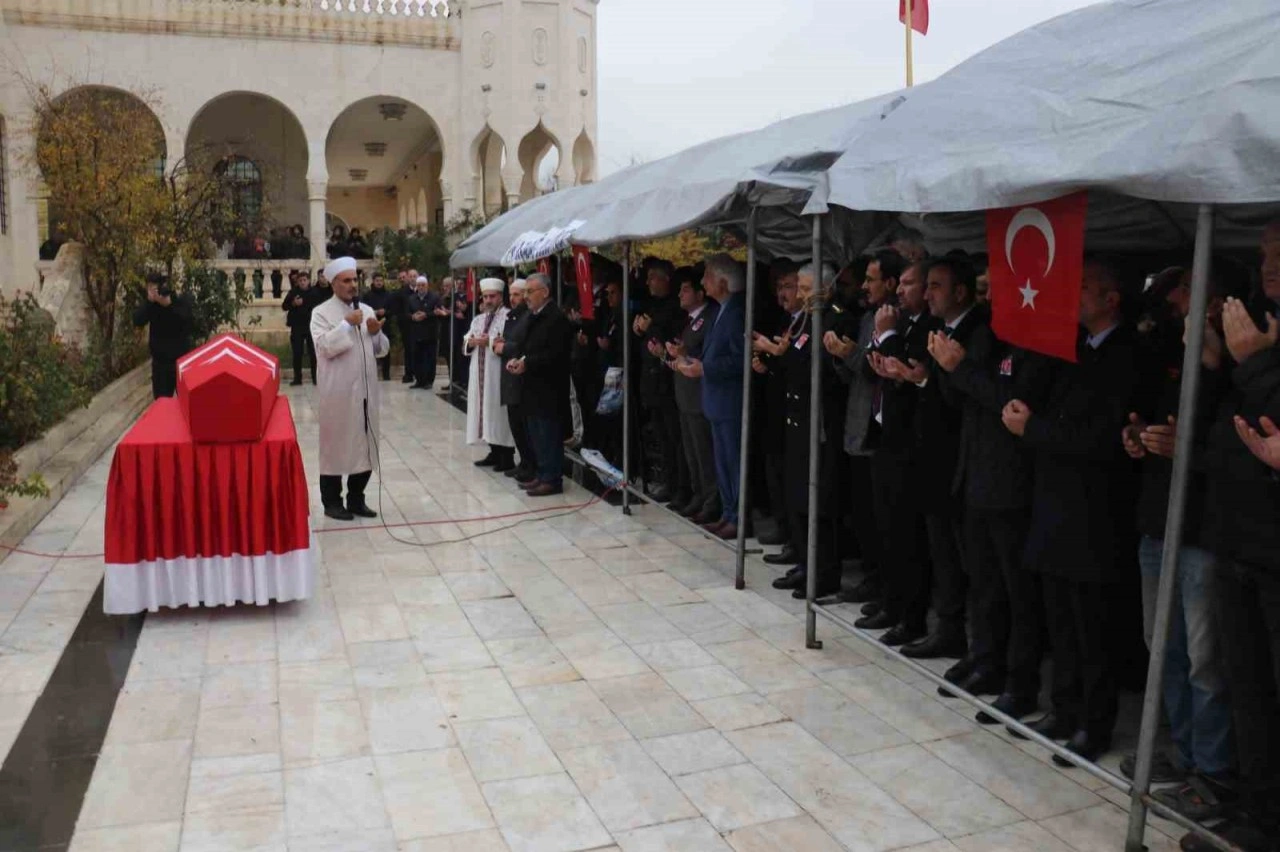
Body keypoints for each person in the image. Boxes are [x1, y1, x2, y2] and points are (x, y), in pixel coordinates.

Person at [1004, 257, 1140, 765]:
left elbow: (1100, 436)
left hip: (1095, 510)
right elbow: (1036, 398)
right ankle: (1063, 709)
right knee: (1060, 617)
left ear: (1111, 299)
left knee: (1092, 626)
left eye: (1086, 287)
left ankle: (1094, 722)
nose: (1075, 294)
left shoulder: (1126, 355)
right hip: (1056, 502)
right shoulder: (1074, 348)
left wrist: (1033, 430)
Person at [1190, 220, 1280, 851]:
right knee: (1248, 691)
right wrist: (1223, 368)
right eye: (1265, 256)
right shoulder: (1257, 323)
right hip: (1238, 535)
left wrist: (1255, 364)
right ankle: (1259, 814)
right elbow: (1235, 428)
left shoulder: (1263, 345)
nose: (1268, 267)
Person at [309, 256, 389, 521]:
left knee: (364, 447)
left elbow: (380, 350)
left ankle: (357, 498)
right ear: (334, 284)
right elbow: (323, 348)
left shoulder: (365, 309)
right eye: (346, 281)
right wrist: (345, 324)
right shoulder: (320, 313)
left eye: (355, 279)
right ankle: (332, 502)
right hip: (338, 395)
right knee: (336, 447)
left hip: (365, 394)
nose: (353, 285)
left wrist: (376, 332)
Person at [677, 254, 745, 540]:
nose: (703, 283)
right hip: (715, 399)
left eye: (707, 277)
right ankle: (728, 512)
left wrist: (705, 368)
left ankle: (738, 515)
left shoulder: (738, 311)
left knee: (733, 461)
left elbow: (739, 359)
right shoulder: (719, 310)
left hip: (729, 399)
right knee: (722, 461)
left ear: (722, 281)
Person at [506, 273, 572, 496]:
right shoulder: (533, 316)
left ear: (545, 292)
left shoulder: (556, 318)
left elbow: (555, 354)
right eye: (524, 292)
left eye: (530, 292)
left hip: (549, 388)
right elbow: (527, 346)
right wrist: (519, 360)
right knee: (535, 432)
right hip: (531, 386)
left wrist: (529, 363)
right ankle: (542, 473)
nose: (526, 297)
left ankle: (552, 478)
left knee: (548, 433)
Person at [667, 267, 721, 522]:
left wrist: (684, 356)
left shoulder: (710, 317)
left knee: (704, 453)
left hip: (700, 397)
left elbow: (706, 356)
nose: (680, 294)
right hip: (685, 395)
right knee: (692, 453)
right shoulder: (688, 320)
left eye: (686, 289)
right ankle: (699, 495)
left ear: (700, 294)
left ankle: (711, 500)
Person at [634, 259, 688, 505]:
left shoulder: (676, 307)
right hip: (651, 380)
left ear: (667, 278)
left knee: (675, 437)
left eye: (653, 277)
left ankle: (681, 486)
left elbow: (671, 335)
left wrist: (651, 327)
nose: (648, 282)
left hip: (670, 380)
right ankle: (668, 481)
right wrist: (638, 329)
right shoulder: (651, 305)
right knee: (662, 436)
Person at [464, 278, 516, 471]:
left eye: (492, 297)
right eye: (485, 297)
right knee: (484, 412)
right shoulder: (478, 319)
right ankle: (494, 452)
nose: (488, 300)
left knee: (498, 414)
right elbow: (466, 339)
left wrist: (490, 342)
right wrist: (470, 342)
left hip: (498, 374)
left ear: (500, 297)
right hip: (479, 374)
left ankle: (506, 456)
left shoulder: (508, 317)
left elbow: (509, 342)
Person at [496, 280, 536, 480]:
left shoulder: (528, 316)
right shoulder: (513, 316)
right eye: (511, 295)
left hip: (522, 380)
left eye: (517, 295)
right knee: (515, 424)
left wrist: (505, 347)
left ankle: (530, 465)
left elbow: (523, 345)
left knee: (523, 425)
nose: (513, 299)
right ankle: (524, 463)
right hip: (510, 377)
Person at [133, 271, 194, 399]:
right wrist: (149, 302)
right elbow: (137, 320)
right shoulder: (151, 305)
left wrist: (169, 305)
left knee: (185, 402)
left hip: (180, 362)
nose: (154, 292)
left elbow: (187, 322)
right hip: (160, 364)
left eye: (155, 288)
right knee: (161, 403)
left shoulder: (176, 301)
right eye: (149, 288)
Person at [406, 275, 445, 390]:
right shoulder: (411, 299)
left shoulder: (435, 297)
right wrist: (413, 317)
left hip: (430, 333)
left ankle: (429, 381)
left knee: (430, 358)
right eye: (419, 285)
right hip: (416, 333)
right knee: (417, 358)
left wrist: (426, 315)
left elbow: (439, 312)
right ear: (416, 286)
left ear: (427, 286)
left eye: (423, 285)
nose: (421, 287)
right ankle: (419, 380)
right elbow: (406, 314)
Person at [282, 270, 319, 386]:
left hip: (310, 326)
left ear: (308, 281)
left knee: (313, 353)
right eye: (300, 281)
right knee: (297, 353)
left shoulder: (314, 293)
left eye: (305, 280)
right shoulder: (293, 292)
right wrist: (293, 303)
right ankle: (297, 378)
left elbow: (319, 308)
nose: (303, 283)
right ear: (297, 282)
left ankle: (315, 378)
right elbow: (284, 306)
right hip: (297, 327)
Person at [361, 271, 394, 381]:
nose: (379, 283)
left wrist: (385, 312)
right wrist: (374, 312)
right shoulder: (367, 295)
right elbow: (363, 310)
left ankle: (386, 374)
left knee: (386, 350)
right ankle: (371, 374)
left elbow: (393, 310)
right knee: (371, 349)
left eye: (381, 281)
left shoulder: (389, 295)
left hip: (385, 325)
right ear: (373, 282)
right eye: (377, 281)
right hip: (371, 326)